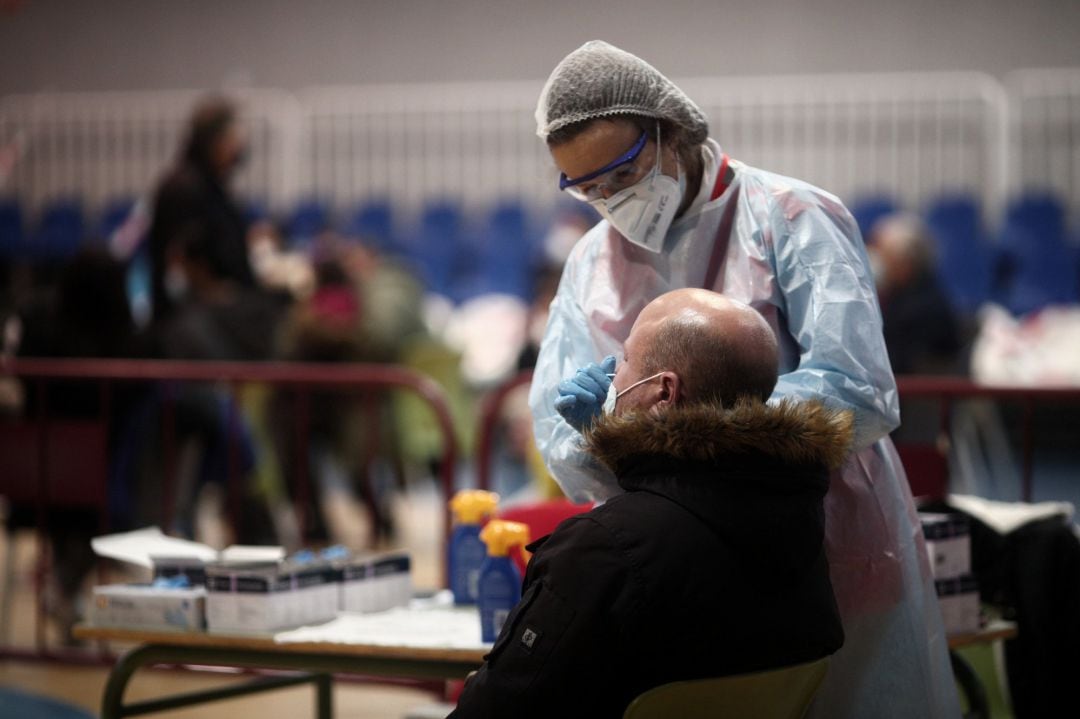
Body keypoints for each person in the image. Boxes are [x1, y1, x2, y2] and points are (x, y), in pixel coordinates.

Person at [528, 41, 960, 718]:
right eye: (586, 187)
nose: (609, 199)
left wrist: (678, 429)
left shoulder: (791, 217)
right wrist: (595, 435)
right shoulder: (591, 262)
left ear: (671, 132)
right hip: (683, 562)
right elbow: (560, 431)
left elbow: (857, 390)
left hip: (826, 538)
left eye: (621, 173)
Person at [452, 289, 848, 719]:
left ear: (664, 392)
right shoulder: (801, 520)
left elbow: (499, 708)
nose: (611, 377)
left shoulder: (604, 548)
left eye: (623, 360)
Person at [146, 96, 255, 325]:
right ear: (213, 142)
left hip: (216, 311)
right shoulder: (184, 188)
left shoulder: (210, 185)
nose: (239, 147)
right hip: (196, 320)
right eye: (233, 138)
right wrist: (218, 294)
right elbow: (180, 257)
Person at [867, 212, 964, 375]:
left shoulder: (925, 307)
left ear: (905, 262)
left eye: (884, 257)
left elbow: (895, 362)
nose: (878, 263)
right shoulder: (897, 295)